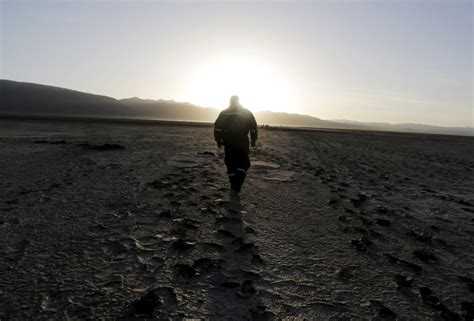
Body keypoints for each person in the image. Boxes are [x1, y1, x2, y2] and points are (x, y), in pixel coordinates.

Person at [214, 95, 258, 195]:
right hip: (242, 141)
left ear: (230, 102)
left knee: (230, 163)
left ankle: (234, 184)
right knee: (244, 163)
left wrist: (218, 140)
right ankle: (237, 183)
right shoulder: (247, 112)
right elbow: (253, 127)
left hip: (228, 141)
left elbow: (217, 128)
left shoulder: (224, 113)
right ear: (238, 101)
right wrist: (253, 139)